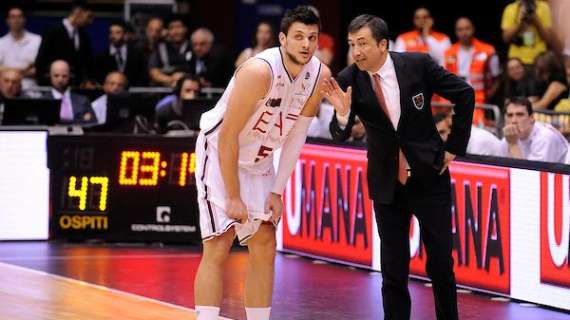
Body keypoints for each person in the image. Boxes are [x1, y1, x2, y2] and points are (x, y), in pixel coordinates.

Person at [325, 14, 474, 320]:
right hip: (386, 183)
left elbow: (465, 93)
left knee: (441, 266)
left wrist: (454, 148)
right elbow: (338, 134)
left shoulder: (417, 65)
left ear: (383, 44)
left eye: (363, 43)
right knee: (393, 270)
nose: (357, 51)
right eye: (352, 44)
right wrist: (342, 115)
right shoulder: (348, 79)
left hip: (429, 176)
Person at [193, 6, 329, 320]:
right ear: (282, 39)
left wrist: (277, 191)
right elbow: (227, 137)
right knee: (219, 241)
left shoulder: (319, 75)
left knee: (265, 241)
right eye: (298, 37)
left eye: (312, 37)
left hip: (259, 158)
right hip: (220, 153)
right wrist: (233, 195)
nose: (306, 44)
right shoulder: (259, 71)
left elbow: (297, 136)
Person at [443, 17, 500, 125]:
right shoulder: (448, 52)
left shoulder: (488, 50)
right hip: (455, 99)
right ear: (456, 32)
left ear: (473, 29)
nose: (464, 32)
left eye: (467, 28)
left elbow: (497, 78)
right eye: (460, 29)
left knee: (476, 128)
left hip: (480, 101)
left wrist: (488, 96)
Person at [35, 1, 95, 86]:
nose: (90, 21)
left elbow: (86, 64)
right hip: (53, 87)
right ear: (78, 12)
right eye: (89, 16)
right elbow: (41, 62)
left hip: (75, 88)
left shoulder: (84, 36)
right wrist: (45, 85)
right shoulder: (52, 31)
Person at [499, 96, 568, 162]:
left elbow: (529, 173)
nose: (514, 121)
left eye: (520, 114)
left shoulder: (545, 137)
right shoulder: (509, 138)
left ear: (531, 118)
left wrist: (513, 145)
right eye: (510, 115)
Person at [501, 0, 557, 66]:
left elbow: (548, 39)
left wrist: (536, 21)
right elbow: (506, 38)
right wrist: (520, 24)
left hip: (539, 59)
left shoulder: (543, 7)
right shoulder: (511, 8)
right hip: (517, 60)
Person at [0, 6, 41, 89]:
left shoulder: (37, 40)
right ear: (7, 20)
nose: (16, 20)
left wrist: (8, 70)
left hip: (31, 90)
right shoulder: (1, 42)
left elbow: (38, 70)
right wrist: (25, 69)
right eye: (13, 17)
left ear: (24, 19)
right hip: (7, 90)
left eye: (20, 16)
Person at [95, 21, 146, 86]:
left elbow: (142, 76)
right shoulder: (101, 56)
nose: (113, 36)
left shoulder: (137, 54)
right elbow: (99, 77)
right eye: (111, 32)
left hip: (132, 92)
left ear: (125, 35)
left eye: (117, 33)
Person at [45, 60, 96, 124]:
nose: (60, 80)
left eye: (64, 76)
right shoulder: (42, 101)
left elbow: (93, 124)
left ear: (70, 76)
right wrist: (80, 120)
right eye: (56, 75)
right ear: (49, 76)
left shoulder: (83, 101)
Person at [148, 15, 192, 87]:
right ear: (167, 31)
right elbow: (153, 72)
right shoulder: (160, 47)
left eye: (178, 27)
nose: (175, 31)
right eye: (171, 28)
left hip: (190, 87)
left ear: (185, 29)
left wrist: (183, 78)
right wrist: (171, 79)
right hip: (165, 89)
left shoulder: (194, 46)